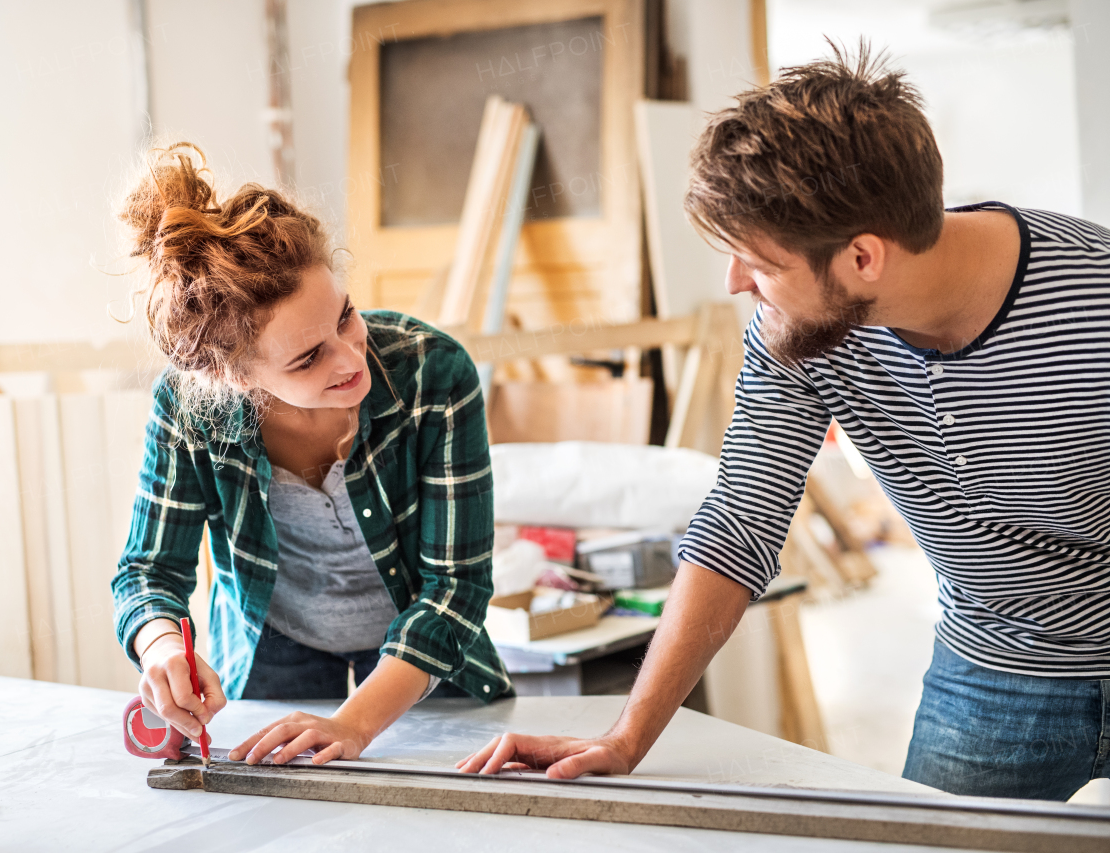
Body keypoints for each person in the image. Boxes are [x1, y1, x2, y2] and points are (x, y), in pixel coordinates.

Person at [458, 45, 1110, 801]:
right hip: (995, 666)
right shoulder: (797, 329)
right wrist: (625, 734)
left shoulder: (1093, 308)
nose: (735, 282)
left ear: (864, 257)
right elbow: (739, 521)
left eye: (757, 262)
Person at [111, 143, 511, 766]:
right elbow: (148, 574)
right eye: (306, 358)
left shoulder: (434, 373)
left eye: (345, 317)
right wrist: (163, 648)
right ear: (233, 377)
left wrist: (353, 725)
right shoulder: (187, 406)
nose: (352, 359)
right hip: (274, 647)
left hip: (427, 656)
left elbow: (455, 590)